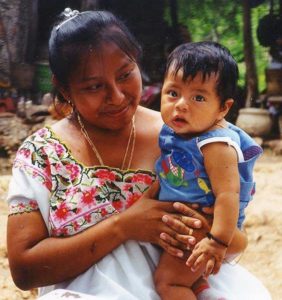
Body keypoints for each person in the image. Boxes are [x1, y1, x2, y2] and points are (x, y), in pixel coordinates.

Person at [6, 9, 271, 300]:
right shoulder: (41, 155)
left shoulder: (190, 135)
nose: (117, 96)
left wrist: (210, 233)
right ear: (64, 89)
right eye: (94, 86)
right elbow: (23, 271)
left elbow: (236, 240)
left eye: (125, 75)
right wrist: (123, 227)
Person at [154, 41, 263, 300]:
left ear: (223, 108)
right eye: (173, 93)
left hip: (207, 227)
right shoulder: (178, 131)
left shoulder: (215, 144)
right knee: (186, 278)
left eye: (198, 97)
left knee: (168, 283)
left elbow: (228, 194)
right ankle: (203, 291)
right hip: (193, 223)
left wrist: (216, 242)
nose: (181, 104)